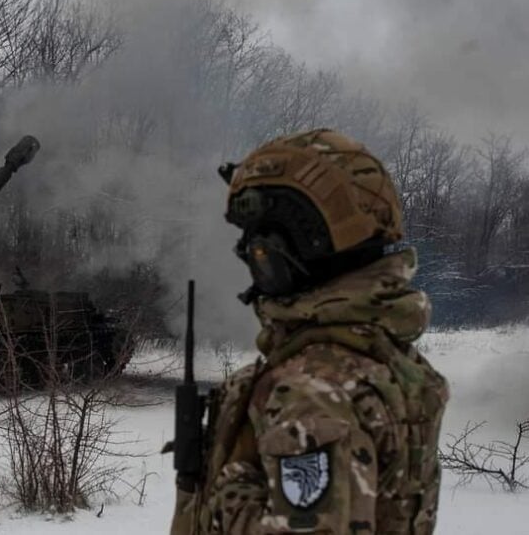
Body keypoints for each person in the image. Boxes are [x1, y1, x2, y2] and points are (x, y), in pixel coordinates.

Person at [171, 129, 449, 535]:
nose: (247, 250)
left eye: (257, 237)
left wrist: (228, 492)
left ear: (299, 240)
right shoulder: (383, 362)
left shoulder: (314, 391)